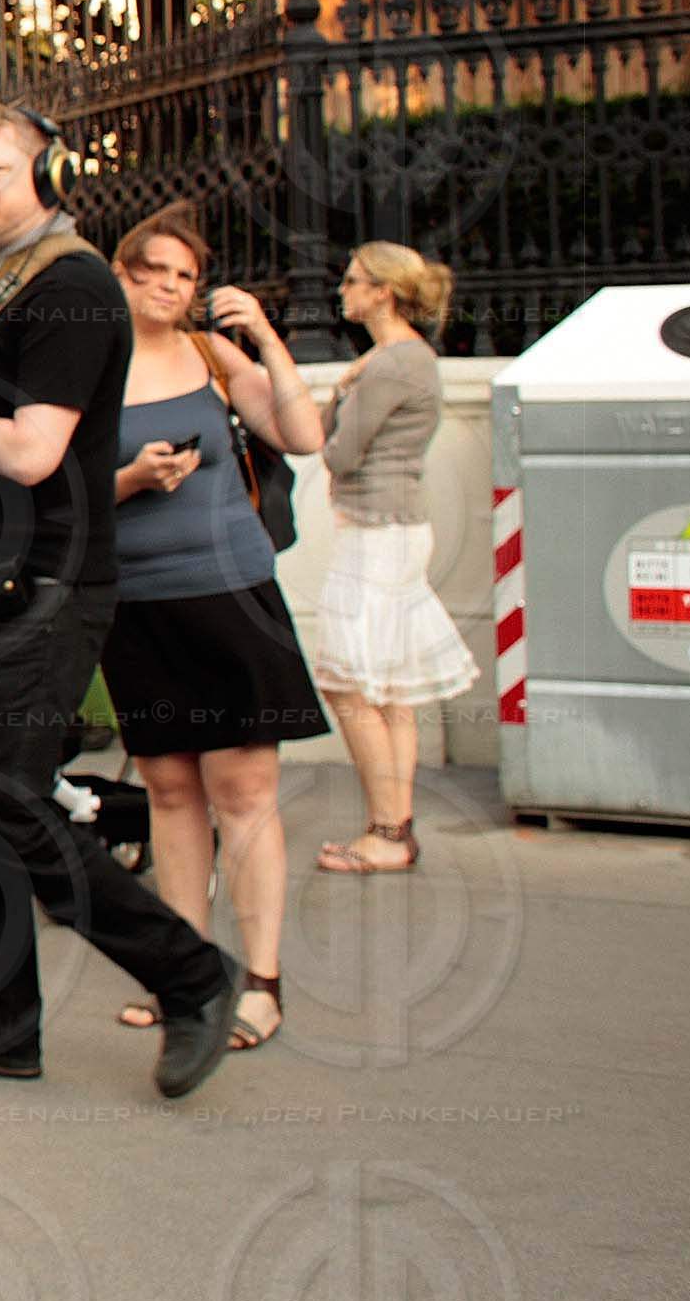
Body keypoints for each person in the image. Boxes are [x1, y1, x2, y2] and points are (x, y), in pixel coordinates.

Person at [0, 97, 238, 1099]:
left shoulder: (75, 287)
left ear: (45, 174)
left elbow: (35, 450)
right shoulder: (8, 283)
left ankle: (188, 970)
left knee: (10, 802)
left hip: (41, 587)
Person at [96, 206, 329, 1051]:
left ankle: (261, 983)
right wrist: (129, 478)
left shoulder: (210, 354)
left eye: (184, 276)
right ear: (120, 273)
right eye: (152, 269)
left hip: (231, 597)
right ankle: (185, 975)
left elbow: (302, 436)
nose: (167, 285)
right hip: (136, 603)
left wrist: (265, 337)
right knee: (168, 793)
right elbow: (66, 493)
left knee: (245, 797)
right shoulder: (91, 366)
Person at [312, 241, 477, 874]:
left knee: (349, 684)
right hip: (394, 529)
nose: (342, 291)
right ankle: (392, 829)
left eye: (353, 281)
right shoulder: (402, 359)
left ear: (383, 291)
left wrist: (339, 398)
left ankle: (387, 830)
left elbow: (338, 452)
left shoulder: (391, 364)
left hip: (375, 535)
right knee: (390, 690)